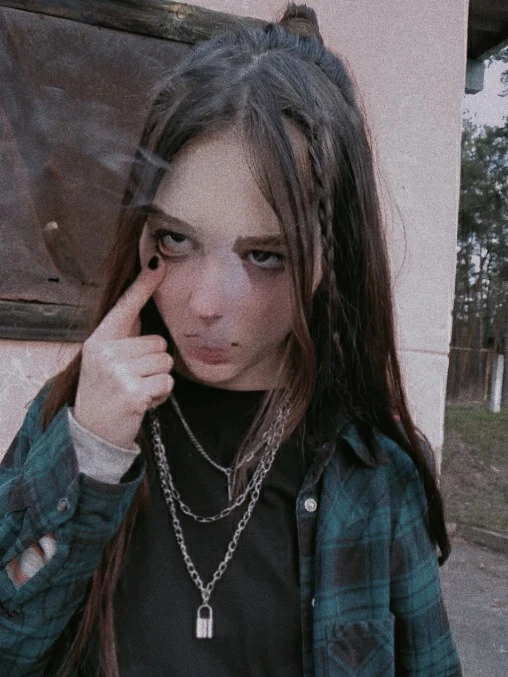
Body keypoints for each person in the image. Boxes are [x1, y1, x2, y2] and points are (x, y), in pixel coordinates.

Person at [0, 4, 462, 676]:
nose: (206, 304)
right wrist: (88, 456)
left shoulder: (373, 475)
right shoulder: (74, 418)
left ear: (331, 259)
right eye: (176, 239)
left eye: (265, 254)